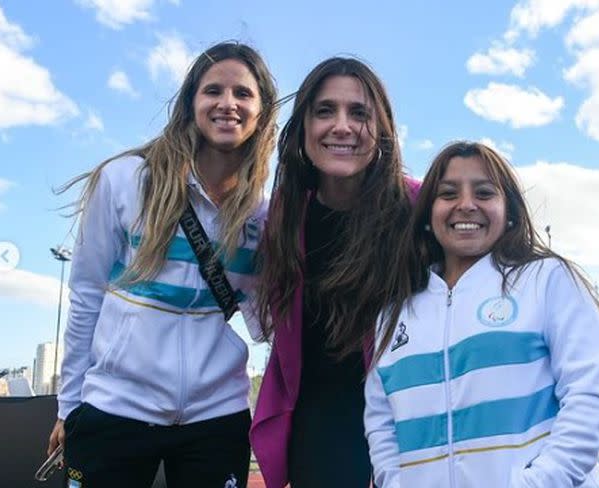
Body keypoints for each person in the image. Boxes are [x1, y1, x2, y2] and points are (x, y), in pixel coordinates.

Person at [45, 41, 279, 488]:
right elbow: (87, 294)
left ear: (262, 113)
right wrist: (70, 406)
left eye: (243, 94)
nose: (227, 103)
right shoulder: (126, 181)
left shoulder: (263, 218)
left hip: (217, 415)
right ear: (191, 104)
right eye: (213, 91)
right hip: (116, 407)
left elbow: (266, 322)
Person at [364, 141, 599, 487]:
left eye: (484, 193)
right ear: (427, 214)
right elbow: (381, 423)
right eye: (448, 193)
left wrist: (538, 483)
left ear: (509, 210)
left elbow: (592, 393)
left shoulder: (547, 279)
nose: (466, 205)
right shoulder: (394, 311)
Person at [250, 57, 418, 488]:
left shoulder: (418, 207)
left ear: (381, 128)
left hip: (414, 418)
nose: (341, 126)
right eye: (325, 110)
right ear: (303, 126)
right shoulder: (284, 217)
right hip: (320, 427)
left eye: (359, 112)